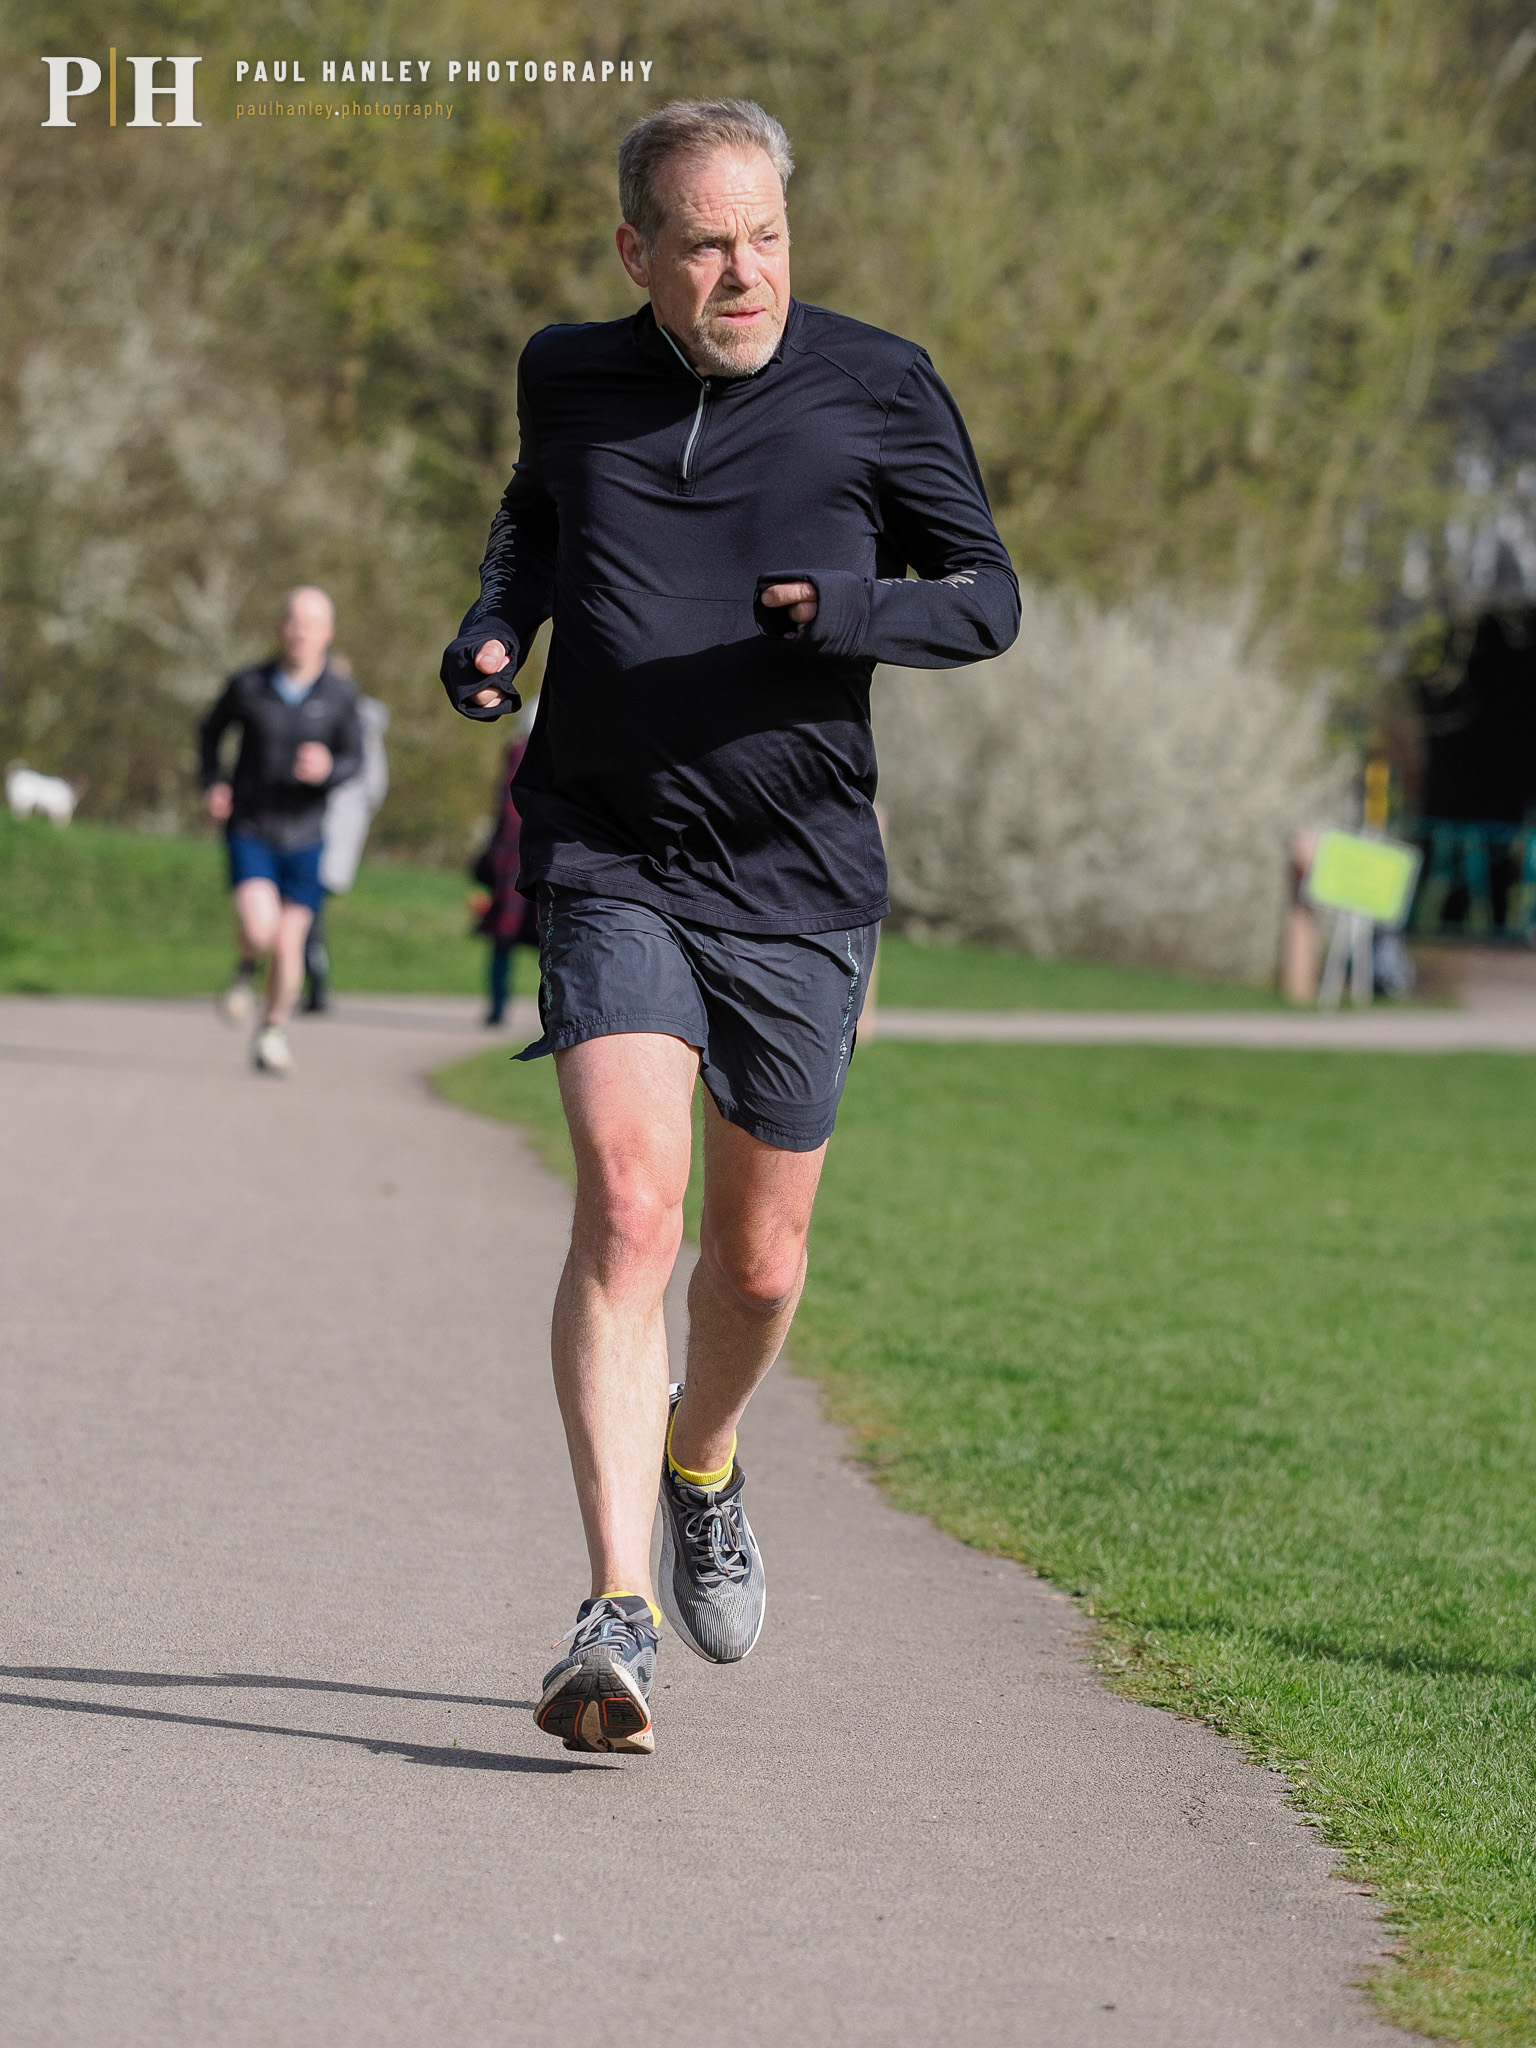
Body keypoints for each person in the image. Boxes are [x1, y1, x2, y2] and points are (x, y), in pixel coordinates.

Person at [440, 100, 1019, 1755]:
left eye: (764, 232)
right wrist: (496, 632)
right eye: (703, 240)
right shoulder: (572, 371)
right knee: (631, 1201)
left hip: (798, 873)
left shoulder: (878, 383)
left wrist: (850, 611)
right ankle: (611, 1609)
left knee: (755, 1262)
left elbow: (987, 594)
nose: (741, 268)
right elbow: (534, 520)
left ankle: (704, 1453)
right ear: (638, 252)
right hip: (610, 848)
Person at [200, 587, 363, 1074]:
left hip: (306, 835)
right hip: (251, 826)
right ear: (279, 627)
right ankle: (247, 966)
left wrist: (329, 767)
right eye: (292, 620)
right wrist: (213, 782)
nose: (299, 631)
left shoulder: (339, 694)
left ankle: (272, 1032)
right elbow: (210, 731)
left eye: (310, 623)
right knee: (260, 928)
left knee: (291, 945)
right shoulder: (249, 684)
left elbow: (356, 758)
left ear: (327, 634)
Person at [303, 693, 391, 1013]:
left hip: (329, 831)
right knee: (306, 909)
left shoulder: (359, 733)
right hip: (320, 829)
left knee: (307, 909)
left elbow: (373, 788)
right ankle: (310, 981)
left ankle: (316, 982)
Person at [470, 724, 539, 1026]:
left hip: (520, 854)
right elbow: (507, 808)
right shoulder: (525, 750)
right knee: (551, 941)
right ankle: (549, 1013)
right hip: (532, 853)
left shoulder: (518, 749)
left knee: (507, 939)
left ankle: (498, 1008)